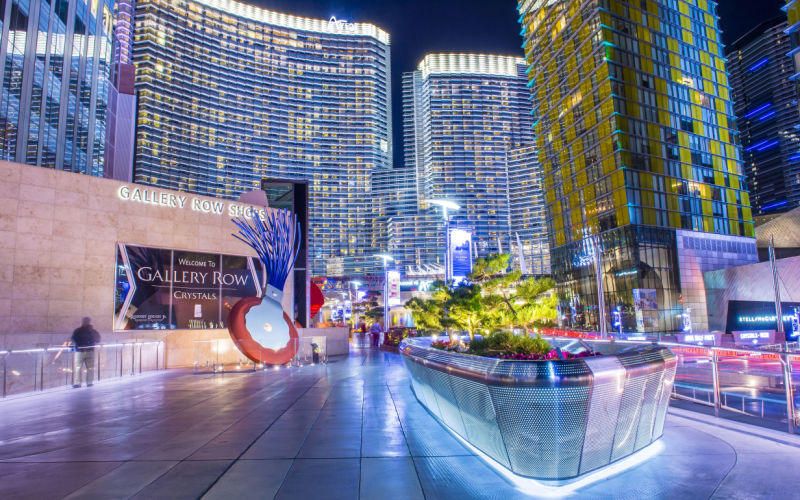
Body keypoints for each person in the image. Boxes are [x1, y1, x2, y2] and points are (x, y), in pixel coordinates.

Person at [71, 317, 100, 388]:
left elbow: (74, 339)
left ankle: (78, 383)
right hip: (89, 351)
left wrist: (80, 345)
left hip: (80, 351)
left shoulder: (78, 331)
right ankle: (89, 382)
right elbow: (98, 339)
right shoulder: (93, 331)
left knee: (78, 367)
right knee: (89, 367)